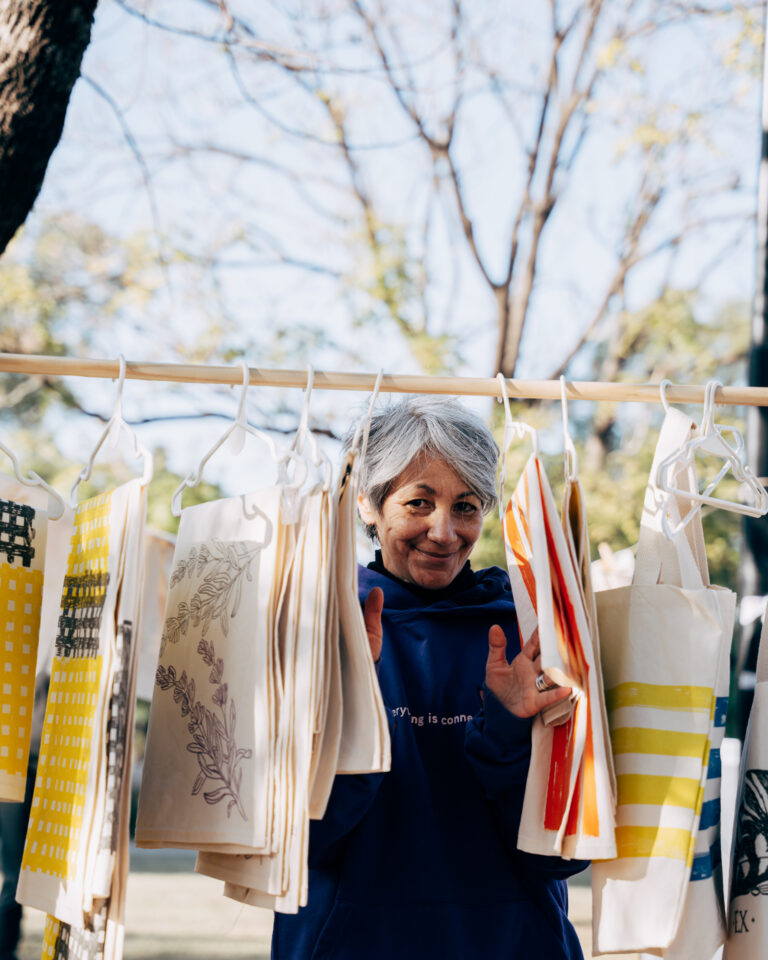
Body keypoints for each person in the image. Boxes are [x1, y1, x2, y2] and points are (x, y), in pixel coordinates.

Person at [272, 396, 588, 959]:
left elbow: (561, 856)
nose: (444, 532)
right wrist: (349, 706)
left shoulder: (533, 632)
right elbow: (300, 844)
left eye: (466, 507)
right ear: (370, 505)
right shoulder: (314, 622)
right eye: (419, 502)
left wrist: (508, 733)